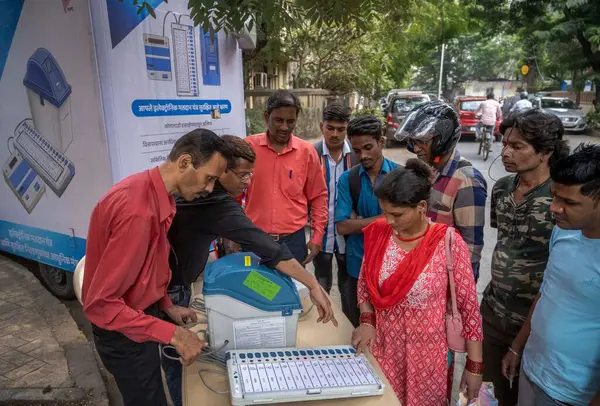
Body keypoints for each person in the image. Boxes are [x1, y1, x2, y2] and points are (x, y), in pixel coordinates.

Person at [163, 135, 337, 406]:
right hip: (170, 288)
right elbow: (268, 247)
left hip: (174, 282)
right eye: (243, 175)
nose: (248, 182)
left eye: (251, 175)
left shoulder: (207, 195)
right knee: (178, 364)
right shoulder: (213, 202)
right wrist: (313, 285)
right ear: (222, 170)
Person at [82, 129, 232, 406]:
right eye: (209, 178)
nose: (209, 189)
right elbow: (101, 305)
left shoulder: (155, 193)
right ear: (185, 163)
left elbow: (146, 270)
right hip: (123, 332)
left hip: (138, 317)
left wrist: (166, 305)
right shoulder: (137, 213)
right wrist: (173, 334)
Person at [351, 159, 483, 406]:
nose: (389, 221)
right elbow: (364, 284)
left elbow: (470, 309)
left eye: (397, 214)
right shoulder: (380, 235)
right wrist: (367, 320)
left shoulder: (448, 243)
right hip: (383, 350)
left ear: (422, 206)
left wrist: (474, 367)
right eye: (385, 212)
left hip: (428, 358)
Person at [480, 109, 569, 406]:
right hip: (493, 314)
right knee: (491, 395)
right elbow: (504, 240)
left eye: (517, 146)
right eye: (505, 144)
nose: (505, 152)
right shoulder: (503, 188)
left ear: (545, 152)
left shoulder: (561, 199)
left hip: (535, 325)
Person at [501, 144, 600, 406]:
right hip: (532, 372)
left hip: (573, 394)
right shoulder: (564, 232)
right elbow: (547, 292)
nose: (554, 208)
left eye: (568, 202)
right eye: (555, 196)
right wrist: (517, 346)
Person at [396, 101, 488, 280]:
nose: (416, 149)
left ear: (442, 140)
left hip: (444, 281)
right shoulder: (428, 171)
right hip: (422, 275)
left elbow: (471, 248)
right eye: (413, 142)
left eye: (422, 142)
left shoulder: (467, 181)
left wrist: (458, 290)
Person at [244, 90, 328, 265]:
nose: (284, 127)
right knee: (253, 289)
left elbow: (319, 196)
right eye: (278, 120)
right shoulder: (248, 148)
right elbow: (232, 195)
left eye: (290, 121)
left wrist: (317, 235)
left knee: (292, 290)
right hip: (254, 240)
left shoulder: (307, 152)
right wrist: (233, 235)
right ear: (266, 117)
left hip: (293, 243)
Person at [335, 115, 398, 327]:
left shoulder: (401, 176)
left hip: (393, 269)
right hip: (357, 267)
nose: (362, 155)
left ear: (381, 142)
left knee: (390, 329)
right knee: (359, 327)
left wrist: (359, 222)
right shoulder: (348, 179)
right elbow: (342, 226)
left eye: (368, 147)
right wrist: (385, 218)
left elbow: (407, 224)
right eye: (356, 150)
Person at [312, 103, 358, 319]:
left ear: (346, 129)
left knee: (349, 289)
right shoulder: (310, 154)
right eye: (330, 128)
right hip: (319, 236)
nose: (335, 134)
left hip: (349, 236)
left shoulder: (357, 156)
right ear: (322, 126)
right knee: (321, 285)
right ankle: (325, 333)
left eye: (341, 129)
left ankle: (351, 333)